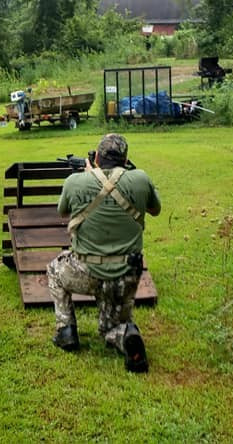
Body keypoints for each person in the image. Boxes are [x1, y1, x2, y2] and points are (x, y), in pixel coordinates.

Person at [47, 133, 161, 372]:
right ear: (126, 159)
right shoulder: (141, 178)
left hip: (86, 271)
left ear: (96, 157)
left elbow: (62, 211)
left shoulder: (75, 182)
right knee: (109, 327)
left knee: (54, 269)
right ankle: (125, 335)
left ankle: (66, 330)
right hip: (126, 274)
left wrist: (90, 176)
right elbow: (155, 209)